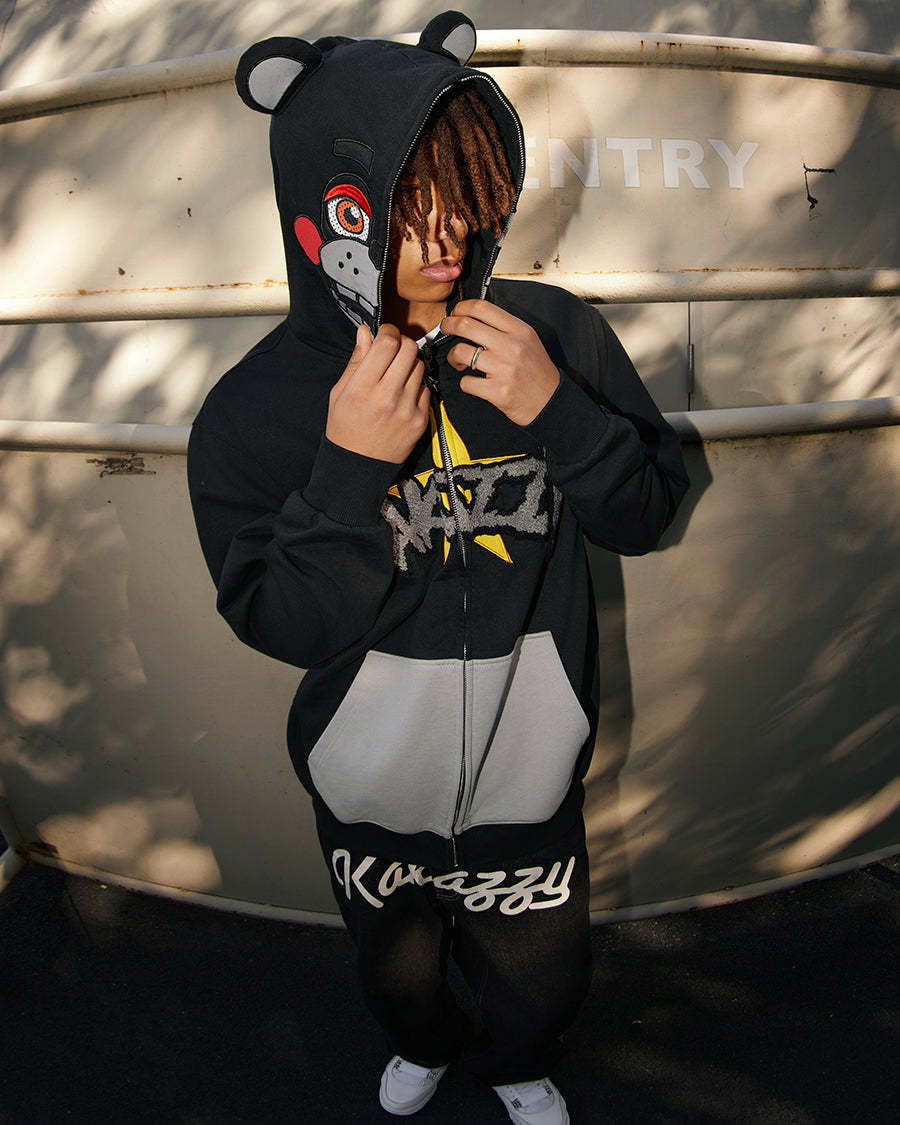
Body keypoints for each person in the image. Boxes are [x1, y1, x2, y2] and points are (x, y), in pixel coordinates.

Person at [187, 13, 689, 1124]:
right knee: (399, 974)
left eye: (462, 192)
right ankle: (422, 1046)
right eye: (404, 204)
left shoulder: (554, 335)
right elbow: (280, 621)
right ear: (327, 210)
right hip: (367, 791)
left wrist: (561, 413)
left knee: (541, 974)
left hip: (530, 783)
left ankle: (515, 1062)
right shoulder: (253, 408)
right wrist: (346, 473)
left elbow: (648, 513)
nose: (446, 233)